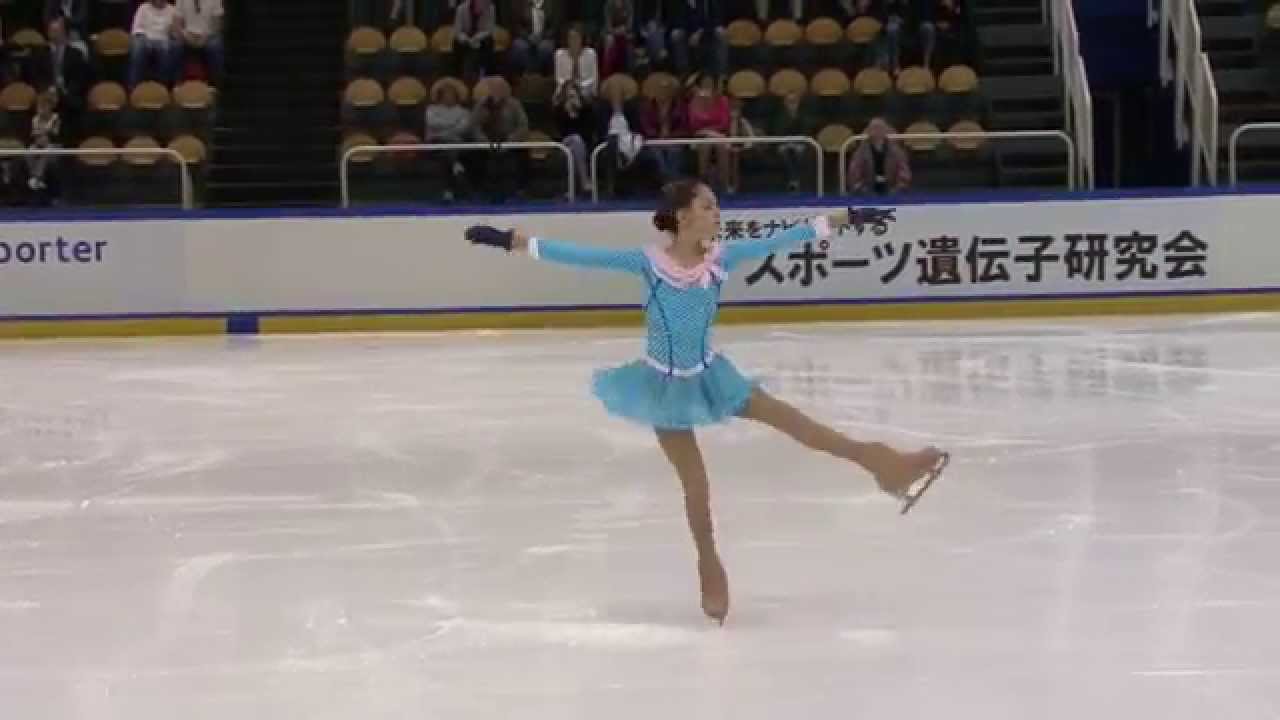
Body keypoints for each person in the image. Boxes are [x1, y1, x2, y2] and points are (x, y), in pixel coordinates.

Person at [464, 179, 949, 624]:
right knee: (696, 485)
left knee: (799, 425)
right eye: (707, 206)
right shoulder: (647, 263)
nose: (717, 213)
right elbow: (576, 255)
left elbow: (789, 237)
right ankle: (709, 563)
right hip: (663, 388)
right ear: (681, 216)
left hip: (713, 375)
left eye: (716, 206)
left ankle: (886, 466)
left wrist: (848, 216)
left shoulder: (722, 258)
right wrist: (510, 240)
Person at [848, 116, 910, 195]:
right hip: (867, 193)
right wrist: (862, 190)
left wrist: (898, 188)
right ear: (869, 131)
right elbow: (854, 174)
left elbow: (904, 172)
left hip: (892, 191)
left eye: (880, 128)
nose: (877, 131)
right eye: (874, 128)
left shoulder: (896, 151)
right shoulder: (860, 151)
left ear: (886, 131)